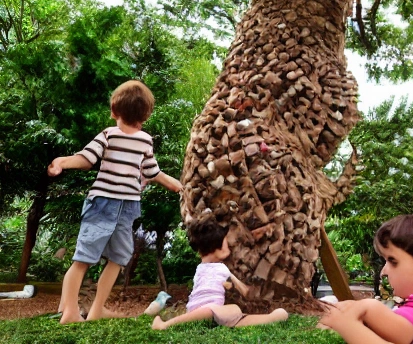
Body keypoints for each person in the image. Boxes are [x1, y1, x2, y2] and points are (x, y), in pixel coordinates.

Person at [47, 80, 183, 324]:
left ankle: (97, 309)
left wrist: (61, 162)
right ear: (146, 114)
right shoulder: (112, 136)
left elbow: (86, 159)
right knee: (85, 257)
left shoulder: (140, 140)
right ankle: (70, 313)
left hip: (127, 206)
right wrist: (63, 161)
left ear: (114, 111)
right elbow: (153, 173)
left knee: (115, 258)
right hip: (104, 203)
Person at [319, 214, 413, 344]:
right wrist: (361, 308)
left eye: (393, 261)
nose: (384, 272)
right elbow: (397, 331)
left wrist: (345, 324)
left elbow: (400, 334)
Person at [152, 212, 289, 330]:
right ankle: (165, 325)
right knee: (230, 310)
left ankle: (273, 317)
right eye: (225, 242)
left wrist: (239, 287)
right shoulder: (219, 268)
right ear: (218, 248)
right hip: (206, 311)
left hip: (212, 314)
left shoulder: (204, 268)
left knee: (275, 314)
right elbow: (243, 290)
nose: (228, 245)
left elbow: (243, 290)